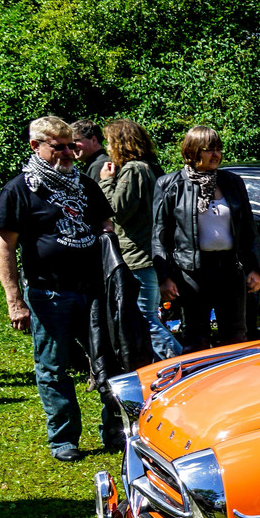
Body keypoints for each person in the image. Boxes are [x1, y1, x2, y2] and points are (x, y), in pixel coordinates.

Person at [0, 115, 119, 460]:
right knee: (53, 368)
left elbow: (106, 225)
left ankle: (114, 431)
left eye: (71, 147)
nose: (68, 154)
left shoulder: (84, 184)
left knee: (109, 361)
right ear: (35, 146)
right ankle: (64, 439)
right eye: (58, 147)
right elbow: (4, 246)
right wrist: (14, 299)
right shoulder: (19, 189)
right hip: (49, 293)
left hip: (93, 290)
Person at [154, 126, 260, 351]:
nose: (216, 155)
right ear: (192, 152)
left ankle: (236, 382)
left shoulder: (232, 182)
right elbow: (159, 234)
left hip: (231, 269)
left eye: (219, 149)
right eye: (208, 150)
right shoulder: (170, 184)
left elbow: (249, 229)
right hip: (191, 271)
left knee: (235, 335)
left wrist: (255, 268)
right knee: (196, 337)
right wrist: (164, 277)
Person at [98, 119, 182, 361]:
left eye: (109, 142)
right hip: (151, 251)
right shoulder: (151, 167)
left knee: (145, 317)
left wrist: (106, 181)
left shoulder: (134, 170)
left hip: (139, 254)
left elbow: (117, 209)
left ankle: (184, 365)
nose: (108, 148)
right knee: (149, 314)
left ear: (120, 143)